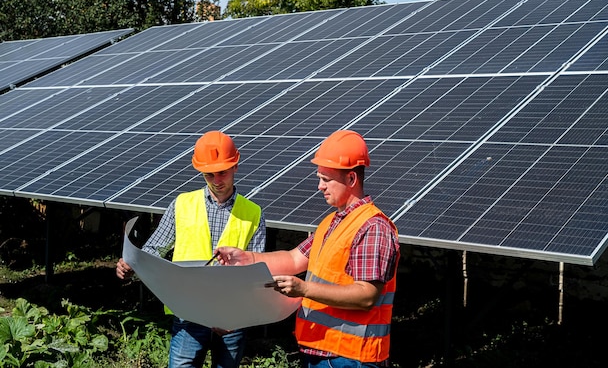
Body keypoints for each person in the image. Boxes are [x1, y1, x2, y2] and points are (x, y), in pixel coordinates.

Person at [217, 129, 400, 368]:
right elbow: (294, 259)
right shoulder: (331, 223)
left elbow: (366, 295)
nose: (319, 186)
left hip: (351, 358)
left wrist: (303, 288)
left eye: (326, 179)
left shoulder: (373, 227)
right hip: (321, 351)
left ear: (351, 179)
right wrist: (246, 258)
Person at [116, 130, 266, 368]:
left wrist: (236, 315)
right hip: (188, 313)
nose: (217, 181)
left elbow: (257, 273)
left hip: (231, 320)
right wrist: (133, 263)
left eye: (222, 173)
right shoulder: (182, 204)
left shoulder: (254, 213)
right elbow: (155, 248)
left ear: (235, 166)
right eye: (209, 174)